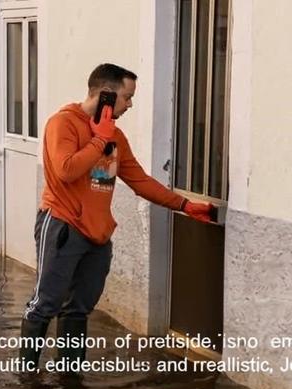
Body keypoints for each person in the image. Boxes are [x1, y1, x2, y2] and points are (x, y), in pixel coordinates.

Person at [19, 63, 212, 372]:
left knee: (78, 309)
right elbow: (66, 170)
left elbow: (139, 180)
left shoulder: (116, 137)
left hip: (97, 236)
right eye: (127, 97)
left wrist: (184, 205)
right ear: (106, 95)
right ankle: (26, 380)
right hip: (63, 226)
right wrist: (98, 139)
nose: (130, 104)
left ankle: (70, 379)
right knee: (45, 304)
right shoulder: (63, 124)